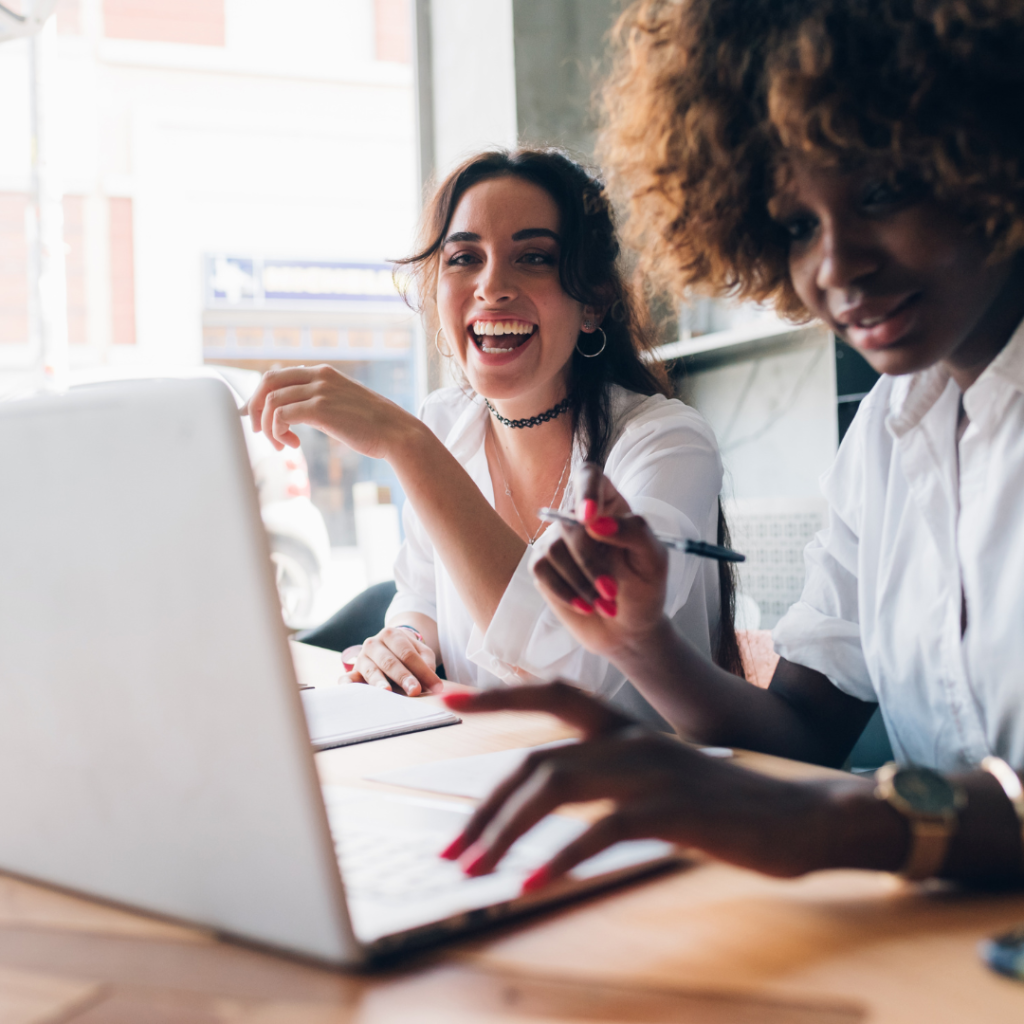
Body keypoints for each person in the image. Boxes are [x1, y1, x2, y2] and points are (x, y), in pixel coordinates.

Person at [437, 0, 1024, 891]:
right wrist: (642, 645)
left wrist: (839, 820)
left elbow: (822, 796)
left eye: (880, 193)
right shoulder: (889, 432)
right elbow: (801, 732)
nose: (837, 266)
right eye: (795, 226)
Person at [247, 148, 740, 723]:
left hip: (641, 792)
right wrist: (407, 639)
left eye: (533, 257)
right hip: (478, 769)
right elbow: (422, 594)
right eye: (464, 258)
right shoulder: (444, 423)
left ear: (593, 301)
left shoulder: (666, 443)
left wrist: (407, 446)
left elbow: (571, 662)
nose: (491, 286)